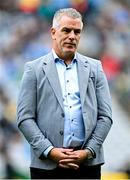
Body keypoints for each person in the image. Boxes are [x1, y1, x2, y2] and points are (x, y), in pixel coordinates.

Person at [17, 8, 112, 179]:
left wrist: (89, 151)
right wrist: (49, 150)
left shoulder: (95, 67)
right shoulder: (34, 69)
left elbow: (105, 116)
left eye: (77, 32)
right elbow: (24, 118)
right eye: (66, 30)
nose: (72, 36)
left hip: (87, 164)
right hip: (47, 165)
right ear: (53, 32)